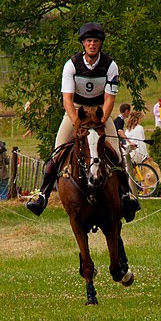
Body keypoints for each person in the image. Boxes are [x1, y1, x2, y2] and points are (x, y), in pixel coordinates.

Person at [26, 22, 140, 222]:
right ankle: (42, 195)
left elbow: (110, 99)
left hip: (99, 112)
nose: (93, 44)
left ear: (100, 44)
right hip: (75, 113)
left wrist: (101, 121)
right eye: (89, 41)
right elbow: (67, 100)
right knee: (58, 152)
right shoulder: (71, 65)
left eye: (96, 41)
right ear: (83, 44)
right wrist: (77, 123)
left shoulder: (110, 65)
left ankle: (126, 196)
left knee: (116, 154)